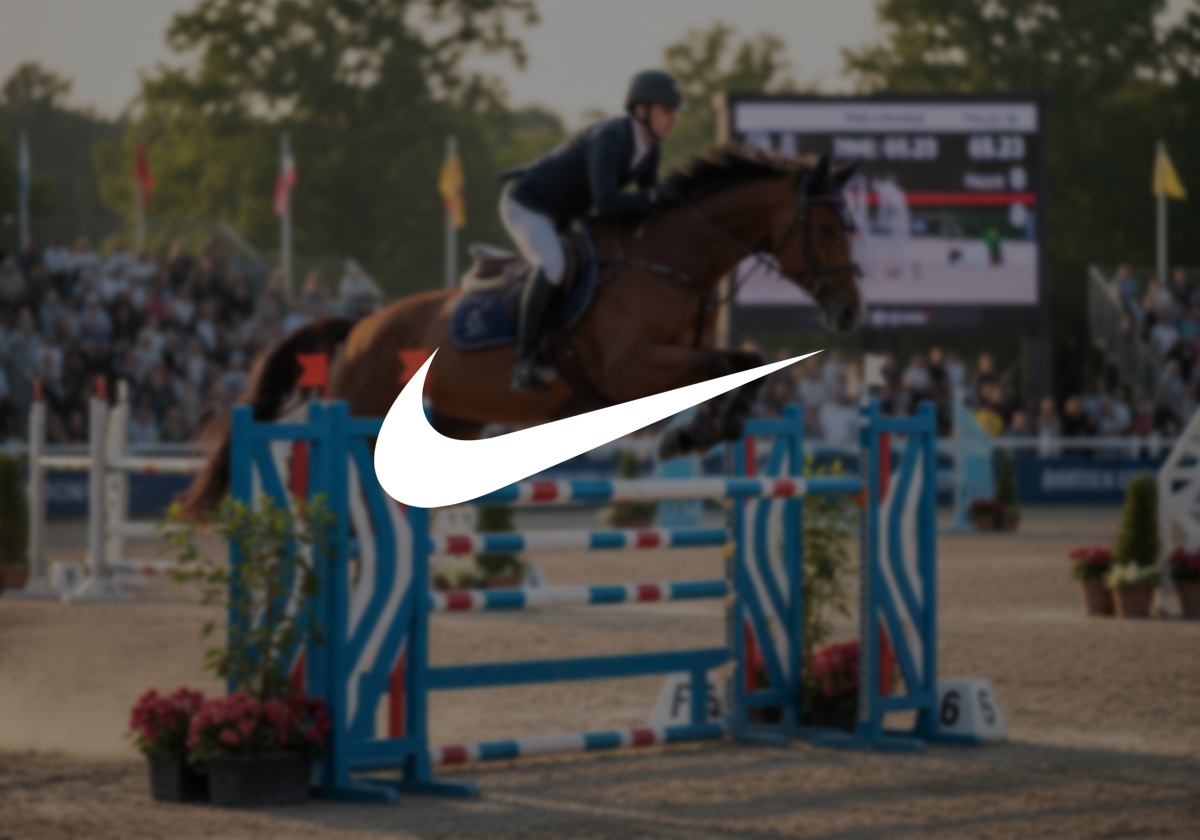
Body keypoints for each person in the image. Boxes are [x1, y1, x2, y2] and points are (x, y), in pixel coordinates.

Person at [498, 69, 683, 392]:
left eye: (674, 112)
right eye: (666, 110)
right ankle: (523, 362)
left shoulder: (650, 149)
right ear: (641, 110)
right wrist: (654, 196)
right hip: (528, 205)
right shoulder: (610, 138)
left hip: (567, 213)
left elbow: (644, 208)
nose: (673, 118)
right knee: (553, 264)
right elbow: (607, 202)